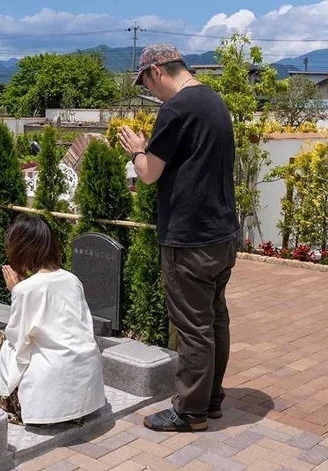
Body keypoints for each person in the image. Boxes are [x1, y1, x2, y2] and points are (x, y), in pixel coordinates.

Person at [118, 43, 239, 433]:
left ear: (156, 71)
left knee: (192, 327)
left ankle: (190, 412)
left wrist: (138, 151)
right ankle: (212, 401)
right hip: (222, 234)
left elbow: (150, 173)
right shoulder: (214, 102)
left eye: (147, 83)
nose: (150, 92)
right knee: (215, 319)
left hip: (190, 239)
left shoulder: (177, 109)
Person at [0, 214, 106, 426]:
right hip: (86, 390)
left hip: (50, 398)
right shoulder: (72, 280)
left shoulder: (25, 290)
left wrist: (16, 290)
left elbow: (16, 338)